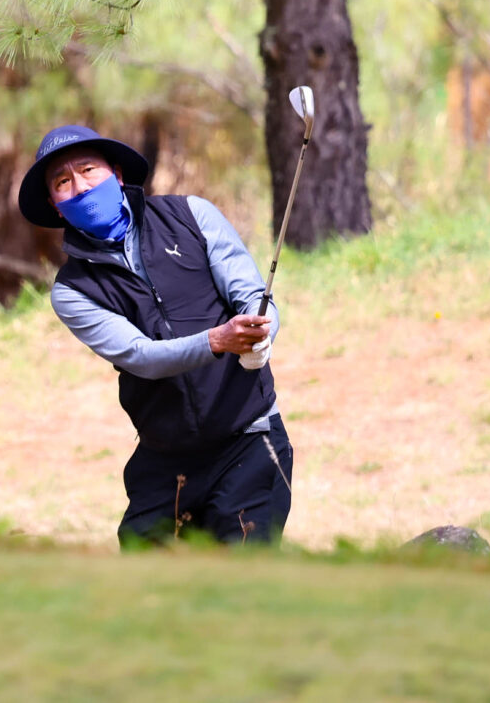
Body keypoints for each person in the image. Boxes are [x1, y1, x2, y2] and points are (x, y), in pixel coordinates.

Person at [22, 124, 293, 547]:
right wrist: (217, 341)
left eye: (89, 170)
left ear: (117, 174)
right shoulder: (72, 291)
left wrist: (262, 330)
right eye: (62, 182)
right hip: (166, 460)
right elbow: (141, 356)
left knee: (243, 572)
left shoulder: (191, 215)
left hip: (249, 440)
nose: (80, 186)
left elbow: (252, 295)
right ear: (56, 207)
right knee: (144, 573)